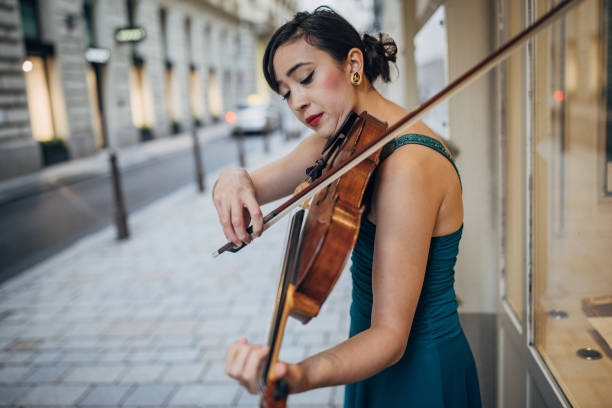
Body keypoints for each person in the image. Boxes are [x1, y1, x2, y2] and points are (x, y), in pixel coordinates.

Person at [212, 6, 482, 407]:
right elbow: (254, 182)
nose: (299, 102)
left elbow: (390, 337)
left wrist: (298, 374)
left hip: (418, 374)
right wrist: (233, 177)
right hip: (365, 355)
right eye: (286, 93)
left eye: (306, 78)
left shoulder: (406, 166)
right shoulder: (343, 139)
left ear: (354, 63)